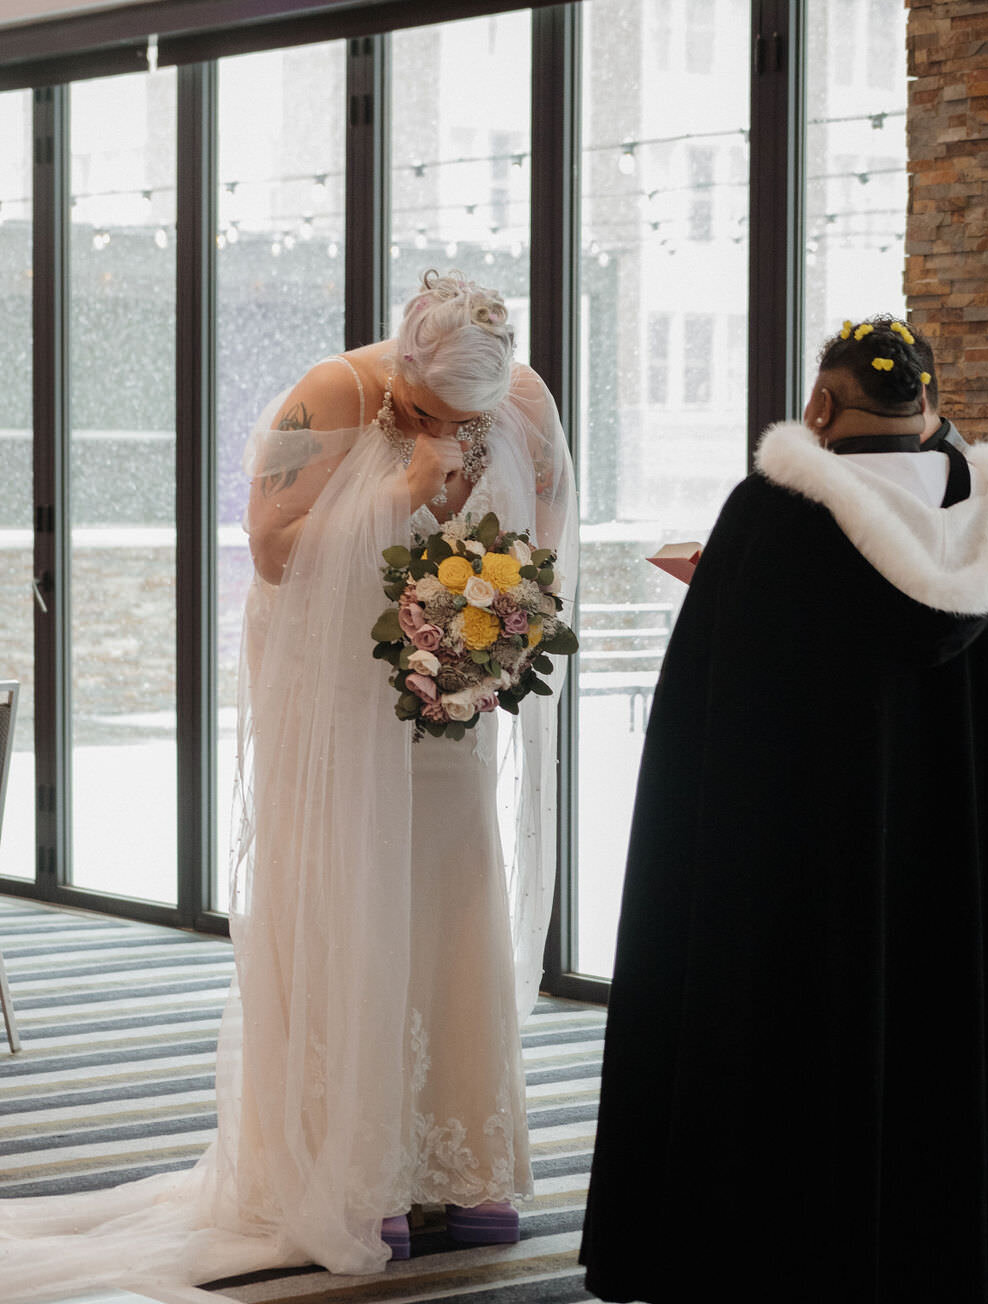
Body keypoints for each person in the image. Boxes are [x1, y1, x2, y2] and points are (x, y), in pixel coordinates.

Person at [0, 271, 578, 1300]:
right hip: (331, 707)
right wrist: (402, 495)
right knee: (346, 909)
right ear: (403, 370)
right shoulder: (328, 395)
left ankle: (467, 1160)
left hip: (447, 703)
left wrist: (489, 635)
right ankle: (358, 1169)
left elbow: (543, 544)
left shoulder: (523, 400)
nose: (456, 430)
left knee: (454, 901)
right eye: (437, 414)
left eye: (469, 417)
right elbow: (270, 554)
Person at [581, 316, 988, 1304]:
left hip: (796, 880)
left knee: (790, 1056)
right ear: (931, 402)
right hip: (954, 874)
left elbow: (715, 723)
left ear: (820, 406)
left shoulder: (774, 516)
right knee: (938, 1049)